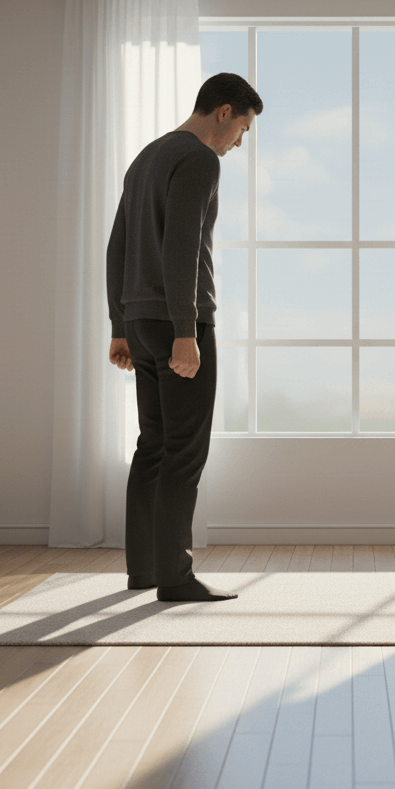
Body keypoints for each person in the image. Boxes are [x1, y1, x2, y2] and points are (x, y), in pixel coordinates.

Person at [106, 72, 263, 602]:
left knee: (152, 444)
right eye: (241, 129)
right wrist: (185, 332)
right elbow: (180, 248)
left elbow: (117, 246)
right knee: (184, 450)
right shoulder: (199, 158)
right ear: (224, 112)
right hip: (179, 323)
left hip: (139, 321)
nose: (238, 143)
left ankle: (144, 569)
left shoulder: (146, 157)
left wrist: (119, 326)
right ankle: (175, 576)